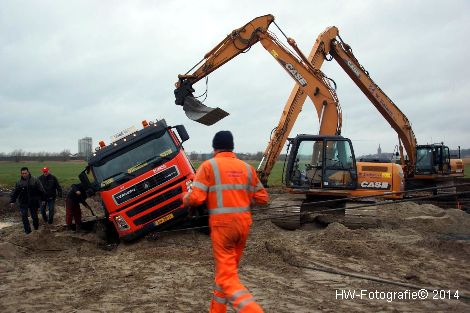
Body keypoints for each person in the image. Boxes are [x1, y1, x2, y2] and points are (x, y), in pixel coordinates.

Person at [183, 131, 269, 313]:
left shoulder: (209, 167)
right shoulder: (247, 168)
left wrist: (185, 198)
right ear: (232, 147)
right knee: (226, 274)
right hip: (243, 227)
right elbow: (263, 198)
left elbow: (196, 198)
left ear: (215, 148)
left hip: (223, 228)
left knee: (228, 278)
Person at [9, 167, 46, 234]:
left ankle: (36, 228)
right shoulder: (19, 182)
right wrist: (12, 201)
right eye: (22, 173)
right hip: (23, 202)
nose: (24, 175)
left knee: (34, 216)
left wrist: (43, 199)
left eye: (25, 173)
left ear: (28, 172)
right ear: (21, 174)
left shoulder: (35, 180)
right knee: (24, 216)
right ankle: (28, 231)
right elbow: (15, 192)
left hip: (33, 201)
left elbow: (41, 190)